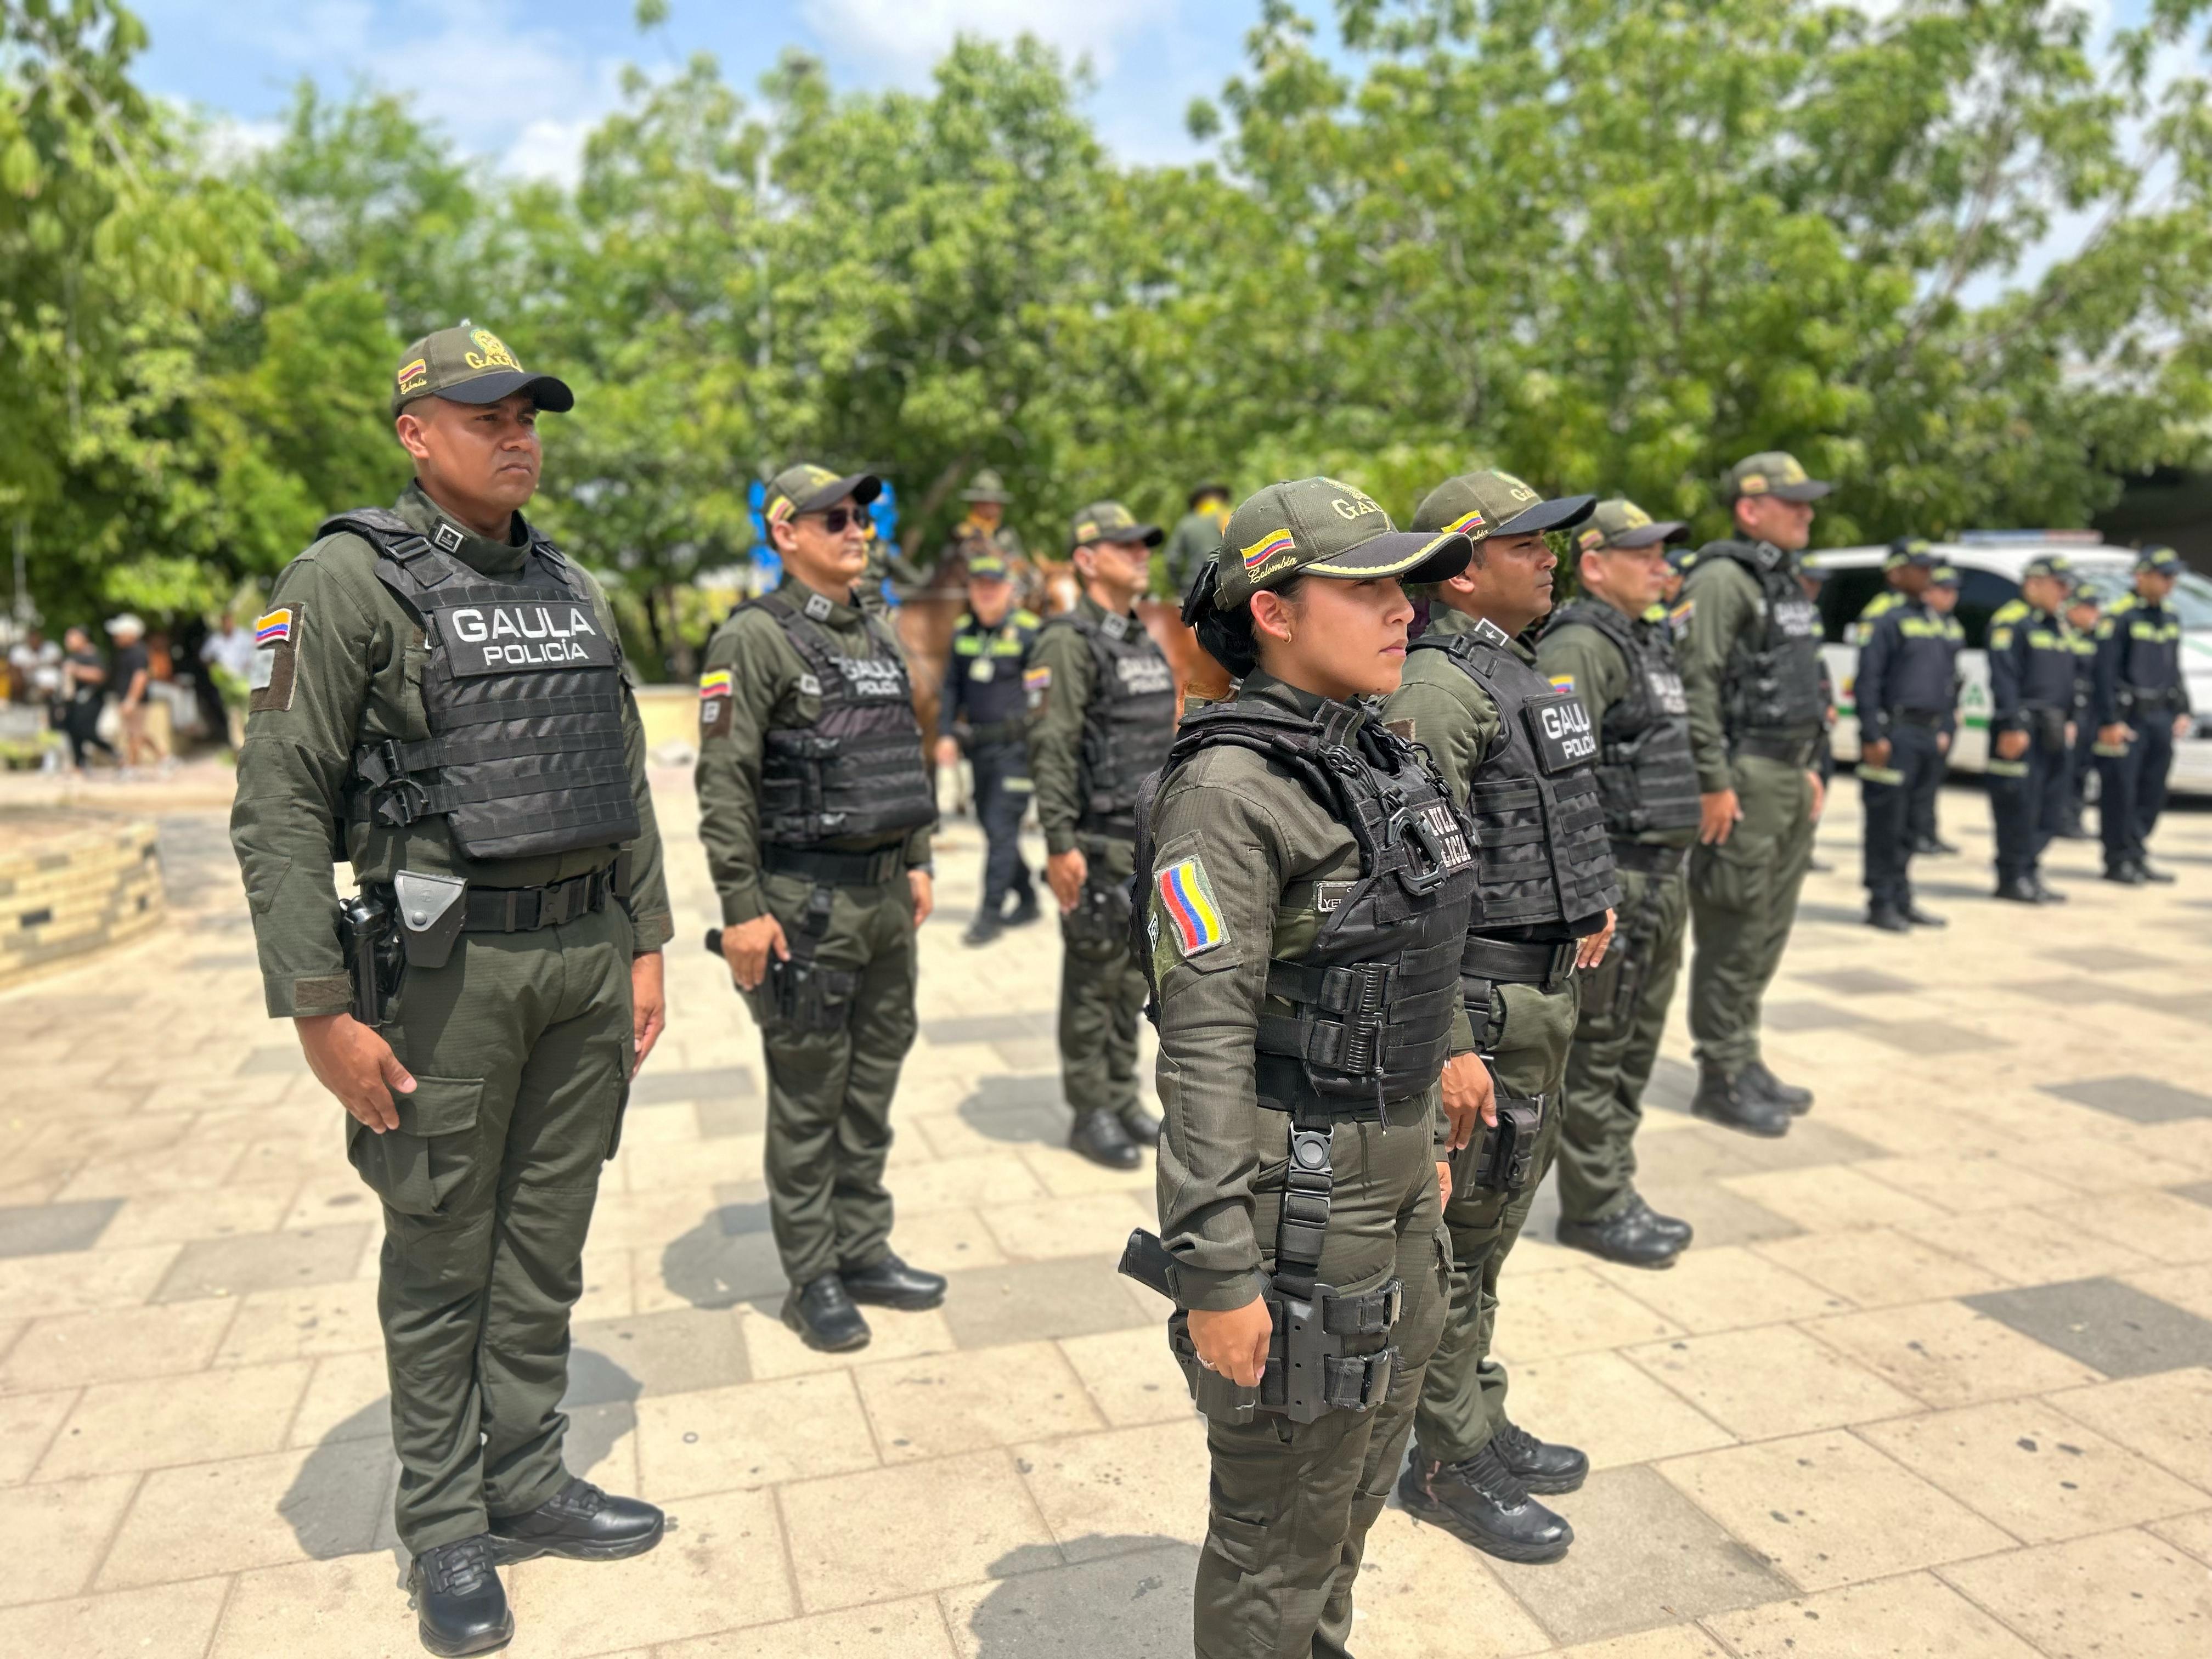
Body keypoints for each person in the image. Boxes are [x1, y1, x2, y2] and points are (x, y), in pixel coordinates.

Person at [228, 325, 675, 1656]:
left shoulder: (573, 584)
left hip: (583, 957)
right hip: (443, 976)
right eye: (488, 417)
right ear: (417, 436)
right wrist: (320, 1007)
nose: (517, 436)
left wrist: (647, 941)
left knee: (544, 1243)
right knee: (439, 1255)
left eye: (528, 415)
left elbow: (623, 771)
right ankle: (443, 1527)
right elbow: (278, 802)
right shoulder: (343, 580)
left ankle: (525, 1479)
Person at [1141, 476, 1482, 1659]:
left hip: (1397, 1175)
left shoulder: (1373, 749)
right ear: (1274, 612)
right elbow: (1201, 1045)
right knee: (1278, 1524)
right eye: (1366, 588)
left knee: (1354, 1483)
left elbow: (1404, 940)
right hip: (1301, 1199)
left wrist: (1429, 1120)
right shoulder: (1226, 791)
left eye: (1405, 588)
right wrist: (1216, 1267)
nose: (1403, 610)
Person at [1387, 469, 1618, 1564]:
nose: (1550, 557)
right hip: (1480, 1004)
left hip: (1538, 996)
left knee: (1488, 1237)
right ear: (1461, 571)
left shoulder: (1517, 669)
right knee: (1452, 1245)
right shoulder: (1439, 688)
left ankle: (1474, 1409)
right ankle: (1447, 1457)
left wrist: (1585, 904)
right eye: (1525, 544)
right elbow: (1410, 889)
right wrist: (1451, 1044)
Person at [696, 462, 947, 1353]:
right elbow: (724, 783)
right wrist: (741, 906)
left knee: (872, 1086)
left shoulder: (876, 629)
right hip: (804, 905)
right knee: (810, 1097)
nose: (856, 530)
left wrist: (917, 857)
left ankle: (863, 1247)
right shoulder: (752, 639)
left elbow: (902, 749)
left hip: (883, 900)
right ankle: (813, 1277)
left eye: (861, 516)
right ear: (785, 534)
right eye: (833, 517)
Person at [1539, 500, 1700, 1271]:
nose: (1662, 566)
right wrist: (1589, 890)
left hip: (1662, 878)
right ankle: (1595, 1205)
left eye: (1664, 553)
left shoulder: (1644, 639)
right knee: (1601, 1050)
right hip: (1622, 879)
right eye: (1644, 554)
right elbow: (1563, 778)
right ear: (1596, 565)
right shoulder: (1581, 643)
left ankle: (1615, 1189)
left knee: (1635, 1047)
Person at [1677, 452, 1830, 1137]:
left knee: (1768, 927)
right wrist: (1713, 780)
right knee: (1735, 925)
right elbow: (1697, 683)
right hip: (1745, 777)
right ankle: (1722, 1075)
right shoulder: (1721, 579)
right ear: (1749, 508)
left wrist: (1812, 766)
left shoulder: (1782, 580)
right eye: (1793, 502)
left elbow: (1804, 681)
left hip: (1789, 774)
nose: (1807, 513)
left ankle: (1745, 1054)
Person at [1028, 501, 1177, 1170]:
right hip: (1094, 839)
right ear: (1087, 560)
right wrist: (1060, 843)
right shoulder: (1068, 641)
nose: (1141, 555)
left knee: (1130, 979)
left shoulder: (1138, 637)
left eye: (1144, 545)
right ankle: (1090, 1111)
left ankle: (1120, 1095)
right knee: (1092, 983)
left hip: (1143, 838)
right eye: (1126, 546)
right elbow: (1052, 747)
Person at [935, 552, 1043, 945]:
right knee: (992, 825)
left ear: (1009, 590)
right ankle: (1027, 896)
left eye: (993, 586)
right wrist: (945, 734)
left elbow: (1043, 693)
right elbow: (951, 688)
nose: (986, 593)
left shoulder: (1030, 632)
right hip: (978, 749)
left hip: (1016, 750)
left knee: (1000, 828)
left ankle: (990, 914)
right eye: (979, 586)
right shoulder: (963, 632)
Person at [1854, 542, 1955, 931]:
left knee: (1914, 822)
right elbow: (1868, 680)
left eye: (1930, 567)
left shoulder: (1931, 617)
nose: (1929, 574)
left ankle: (1902, 896)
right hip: (1896, 734)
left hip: (1927, 733)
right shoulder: (1883, 616)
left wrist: (1945, 726)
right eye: (1920, 567)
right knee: (1887, 822)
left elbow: (1945, 679)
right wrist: (1872, 734)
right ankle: (1881, 901)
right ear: (1895, 572)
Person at [2093, 545, 2194, 884]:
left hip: (2161, 716)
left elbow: (2173, 668)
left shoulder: (2170, 616)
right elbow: (2104, 674)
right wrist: (2109, 720)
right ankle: (2118, 859)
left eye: (2174, 576)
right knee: (2121, 792)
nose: (2171, 582)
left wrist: (2183, 708)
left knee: (2153, 791)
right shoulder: (2119, 617)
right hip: (2129, 718)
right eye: (2165, 576)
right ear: (2141, 576)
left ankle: (2137, 852)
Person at [1985, 556, 2079, 904]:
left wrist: (2070, 719)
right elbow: (2004, 678)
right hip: (2022, 729)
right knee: (2018, 807)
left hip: (2054, 728)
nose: (2065, 593)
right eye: (2059, 585)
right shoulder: (2011, 622)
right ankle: (2013, 877)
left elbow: (2066, 678)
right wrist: (2012, 724)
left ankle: (2030, 870)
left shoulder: (2058, 625)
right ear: (2034, 584)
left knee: (2050, 808)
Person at [1912, 566, 1967, 855]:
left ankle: (1929, 831)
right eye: (1944, 590)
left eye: (1953, 591)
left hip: (1945, 710)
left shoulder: (1951, 625)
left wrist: (1953, 711)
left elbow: (1950, 675)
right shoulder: (1919, 621)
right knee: (1919, 782)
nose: (1950, 597)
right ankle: (1918, 834)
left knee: (1934, 779)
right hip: (1923, 715)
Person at [2058, 583, 2103, 838]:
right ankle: (2061, 819)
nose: (2095, 613)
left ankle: (2074, 817)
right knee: (2066, 769)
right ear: (2073, 609)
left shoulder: (2097, 639)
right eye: (2089, 608)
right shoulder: (2062, 635)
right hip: (2070, 713)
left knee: (2083, 769)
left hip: (2091, 712)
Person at [1162, 480, 1231, 600]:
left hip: (1195, 587)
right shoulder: (1229, 518)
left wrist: (1179, 584)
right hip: (1226, 587)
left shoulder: (1187, 523)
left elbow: (1171, 559)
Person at [58, 627, 115, 771]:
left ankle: (114, 753)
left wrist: (77, 671)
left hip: (91, 699)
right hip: (73, 701)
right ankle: (79, 764)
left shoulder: (92, 655)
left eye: (72, 637)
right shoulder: (72, 656)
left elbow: (100, 675)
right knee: (73, 731)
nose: (68, 641)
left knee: (86, 731)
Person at [200, 609, 258, 748]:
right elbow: (204, 657)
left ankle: (251, 742)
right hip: (228, 685)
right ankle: (238, 746)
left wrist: (249, 664)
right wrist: (215, 670)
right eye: (224, 622)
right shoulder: (216, 640)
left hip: (245, 680)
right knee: (233, 714)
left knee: (248, 712)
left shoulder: (244, 636)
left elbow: (256, 652)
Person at [105, 613, 155, 771]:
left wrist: (132, 700)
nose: (116, 637)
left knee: (134, 733)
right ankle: (164, 757)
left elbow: (141, 677)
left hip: (137, 699)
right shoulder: (123, 652)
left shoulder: (138, 652)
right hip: (126, 697)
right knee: (135, 733)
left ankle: (132, 766)